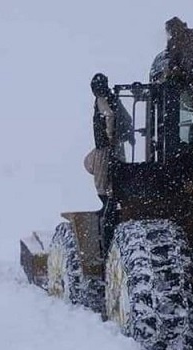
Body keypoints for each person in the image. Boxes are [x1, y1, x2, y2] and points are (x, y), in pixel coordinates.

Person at [86, 73, 132, 256]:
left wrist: (111, 137)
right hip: (113, 147)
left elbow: (110, 116)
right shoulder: (113, 97)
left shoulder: (102, 99)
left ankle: (107, 205)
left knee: (101, 181)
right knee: (97, 168)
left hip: (106, 147)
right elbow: (125, 119)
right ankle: (108, 203)